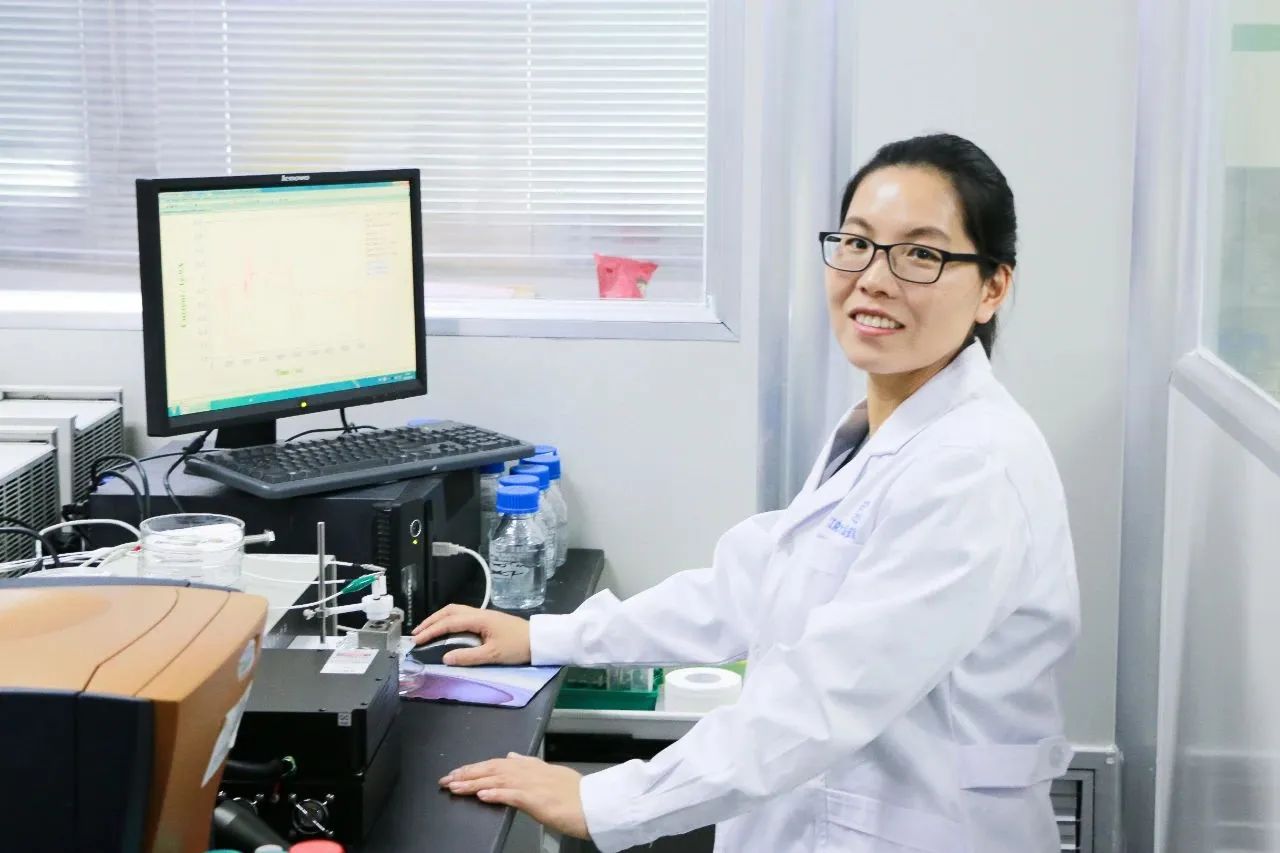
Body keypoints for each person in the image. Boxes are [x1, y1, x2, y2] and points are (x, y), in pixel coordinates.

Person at [412, 133, 1080, 853]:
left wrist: (604, 800)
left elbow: (825, 698)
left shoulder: (972, 469)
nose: (875, 279)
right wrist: (548, 636)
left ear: (992, 287)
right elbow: (755, 585)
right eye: (857, 243)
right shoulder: (890, 430)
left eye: (920, 254)